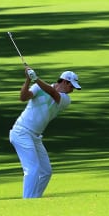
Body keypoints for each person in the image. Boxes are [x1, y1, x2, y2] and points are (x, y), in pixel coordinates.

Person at [9, 66, 82, 198]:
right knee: (32, 169)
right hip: (21, 132)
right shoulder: (39, 87)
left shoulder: (65, 99)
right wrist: (28, 80)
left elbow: (53, 93)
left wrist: (35, 78)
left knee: (46, 172)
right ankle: (28, 201)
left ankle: (34, 198)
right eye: (72, 86)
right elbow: (23, 97)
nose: (72, 90)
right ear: (65, 82)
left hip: (35, 136)